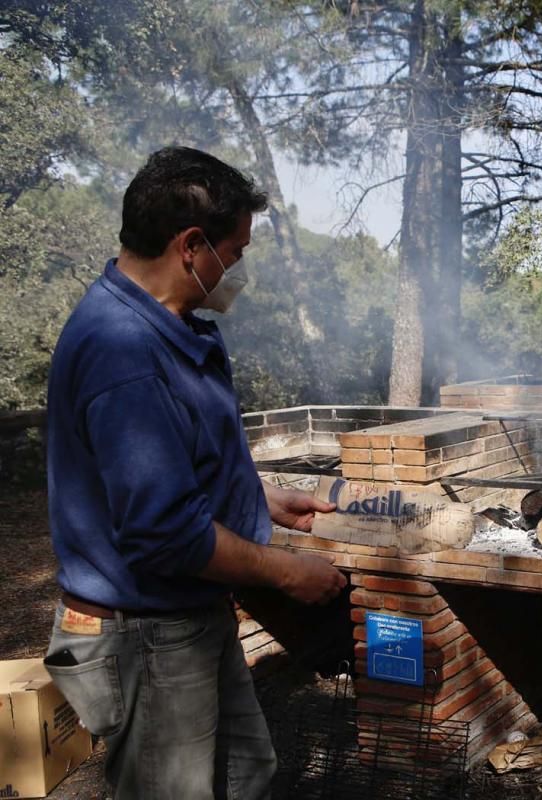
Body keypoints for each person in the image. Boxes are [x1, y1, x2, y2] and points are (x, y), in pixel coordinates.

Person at [42, 146, 347, 799]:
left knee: (244, 774)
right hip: (146, 633)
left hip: (187, 615)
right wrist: (290, 572)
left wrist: (257, 498)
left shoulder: (171, 328)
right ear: (190, 245)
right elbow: (166, 532)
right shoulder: (123, 351)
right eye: (234, 253)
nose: (237, 269)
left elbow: (174, 463)